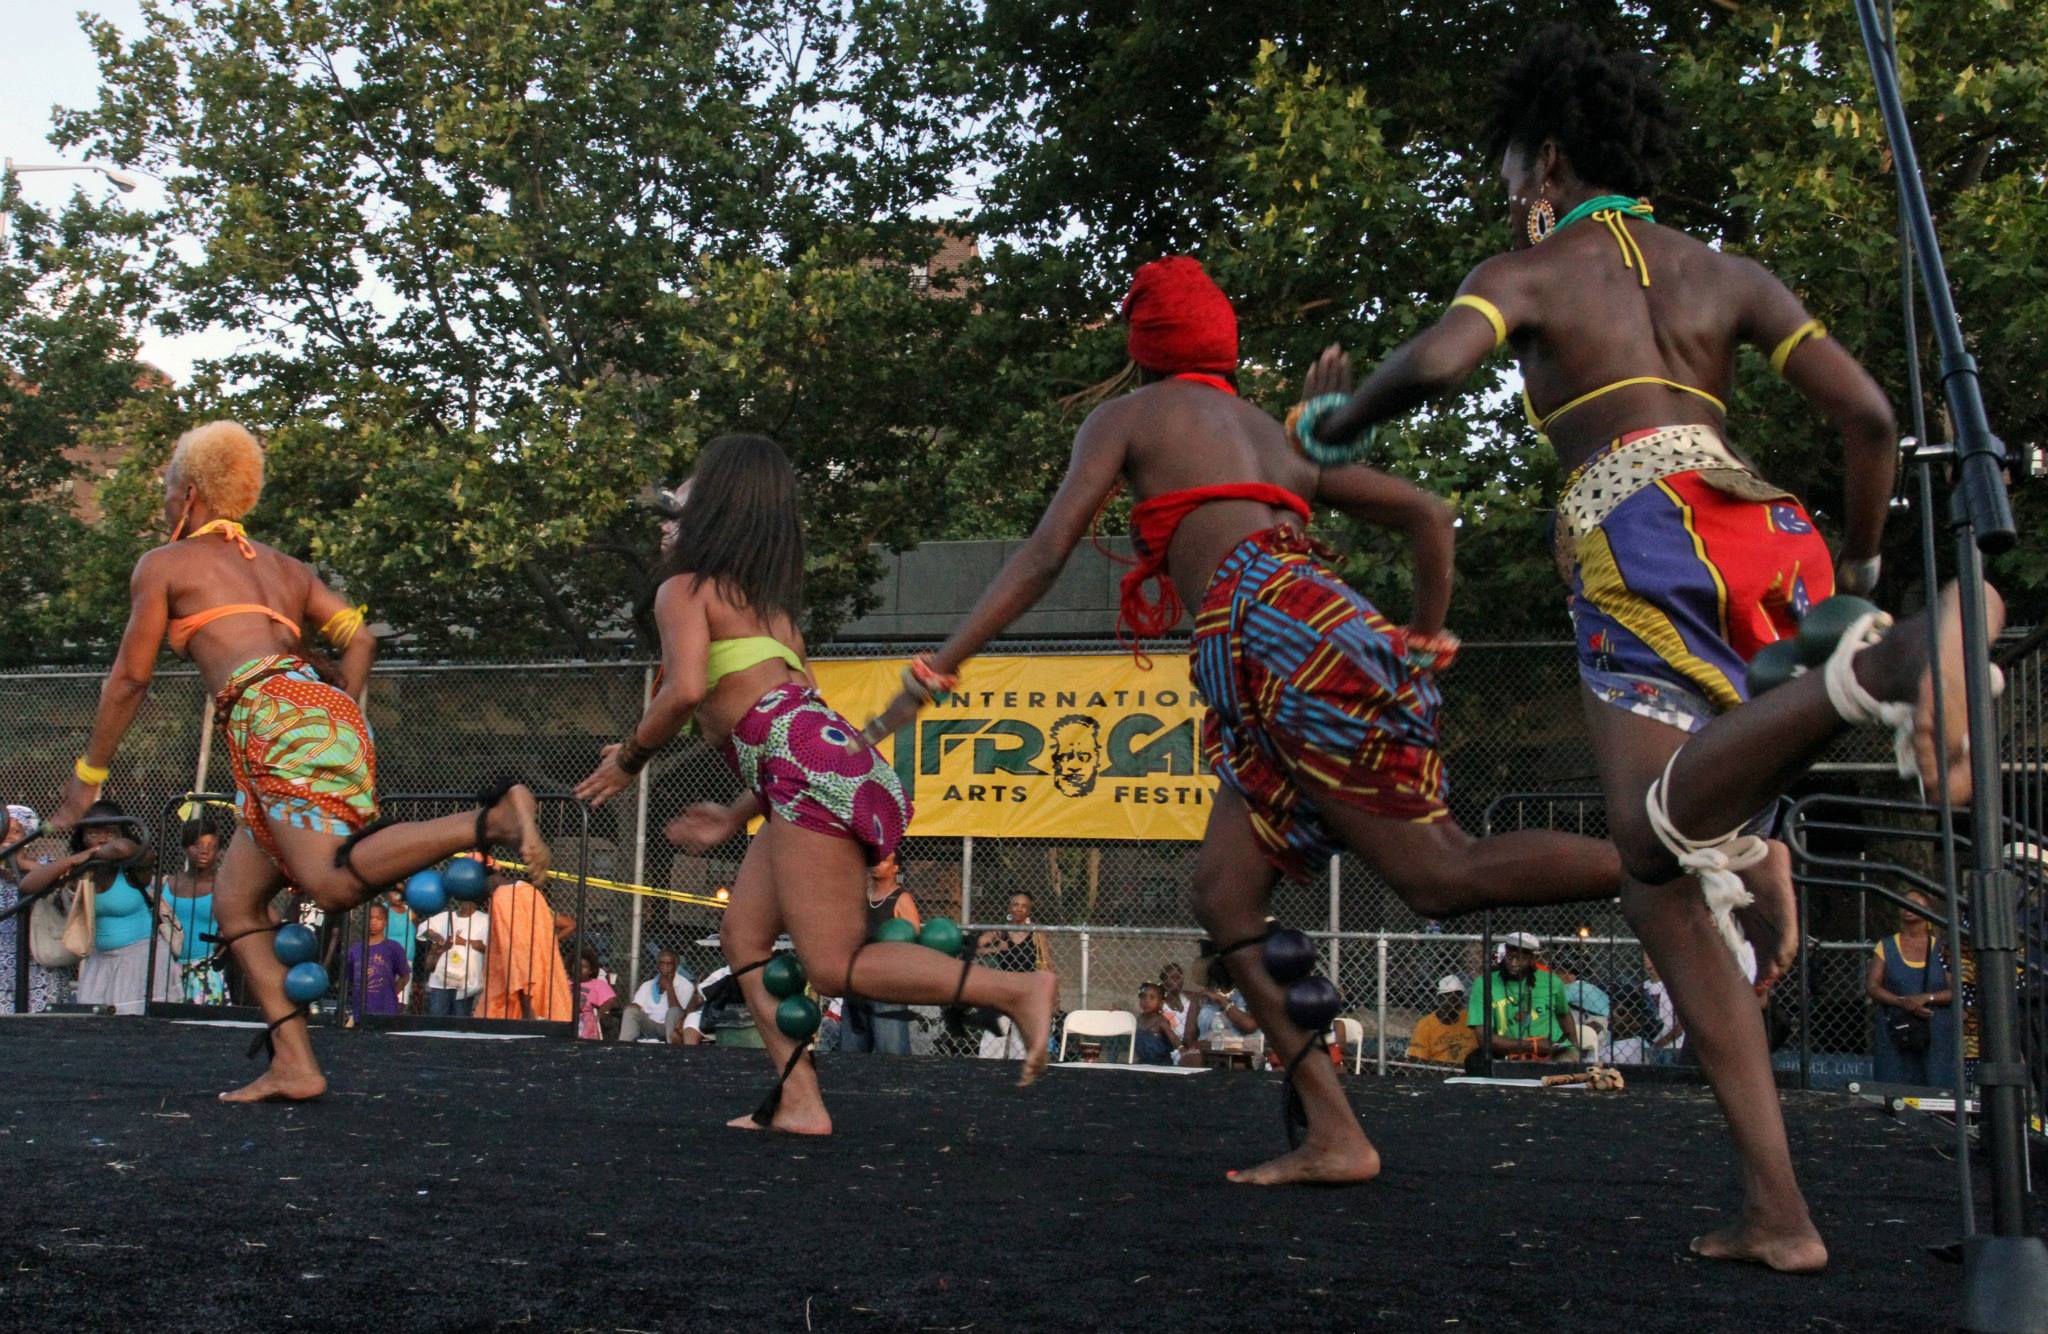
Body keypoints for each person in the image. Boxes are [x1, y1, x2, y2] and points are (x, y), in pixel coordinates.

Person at [1293, 30, 1999, 1265]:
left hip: (1638, 532)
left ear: (1547, 160)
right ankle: (1777, 1209)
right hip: (1772, 539)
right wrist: (1856, 573)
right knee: (1663, 883)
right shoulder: (1724, 272)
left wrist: (1333, 421)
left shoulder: (1532, 271)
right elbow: (1867, 414)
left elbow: (1443, 360)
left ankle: (1878, 673)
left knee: (1644, 838)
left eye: (1509, 171)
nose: (1506, 193)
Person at [849, 257, 1623, 1184]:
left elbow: (1047, 552)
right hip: (1290, 640)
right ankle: (1336, 1135)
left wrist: (936, 667)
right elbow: (1428, 516)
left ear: (1144, 348)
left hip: (1271, 639)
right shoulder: (1273, 434)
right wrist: (1420, 637)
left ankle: (1677, 857)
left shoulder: (1129, 416)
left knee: (1439, 875)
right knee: (1223, 897)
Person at [41, 421, 551, 1102]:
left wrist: (87, 781)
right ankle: (294, 1063)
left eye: (166, 487)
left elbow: (129, 680)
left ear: (190, 493)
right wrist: (333, 711)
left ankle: (490, 822)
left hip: (272, 722)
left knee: (332, 885)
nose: (163, 502)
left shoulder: (164, 564)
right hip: (321, 714)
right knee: (236, 902)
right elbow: (359, 637)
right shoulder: (286, 568)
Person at [577, 433, 1057, 1135]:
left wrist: (629, 759)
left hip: (806, 775)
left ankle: (1014, 988)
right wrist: (735, 814)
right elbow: (791, 730)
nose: (665, 518)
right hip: (822, 770)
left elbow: (684, 691)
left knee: (832, 966)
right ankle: (799, 1101)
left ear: (712, 516)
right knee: (744, 937)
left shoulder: (683, 590)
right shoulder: (775, 618)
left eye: (679, 504)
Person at [19, 800, 168, 1015]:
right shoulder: (80, 869)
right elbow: (27, 885)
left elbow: (121, 848)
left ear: (123, 832)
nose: (102, 838)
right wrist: (75, 860)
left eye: (110, 832)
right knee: (93, 1023)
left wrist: (92, 853)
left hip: (139, 959)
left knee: (134, 1024)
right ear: (82, 836)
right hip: (99, 959)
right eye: (93, 833)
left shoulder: (135, 864)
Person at [1865, 890, 1957, 1086]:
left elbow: (1955, 990)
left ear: (1929, 911)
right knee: (1893, 1086)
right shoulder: (1886, 946)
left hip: (1936, 1032)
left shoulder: (1943, 948)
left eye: (1916, 903)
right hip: (1896, 1029)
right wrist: (1901, 1002)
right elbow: (1873, 986)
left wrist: (1926, 998)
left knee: (1937, 1086)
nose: (1908, 908)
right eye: (1904, 903)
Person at [839, 857, 922, 1056]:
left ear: (896, 868)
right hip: (856, 983)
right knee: (851, 1054)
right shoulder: (860, 898)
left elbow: (914, 940)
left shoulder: (901, 899)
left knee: (891, 1053)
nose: (877, 863)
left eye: (884, 860)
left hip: (886, 987)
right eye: (876, 859)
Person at [480, 862, 575, 1023]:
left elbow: (514, 951)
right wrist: (546, 943)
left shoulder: (502, 897)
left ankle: (528, 1013)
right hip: (537, 960)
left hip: (522, 965)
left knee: (518, 970)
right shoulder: (529, 891)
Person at [1469, 933, 1575, 1061]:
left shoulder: (1551, 981)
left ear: (1532, 959)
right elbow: (1484, 1038)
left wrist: (1574, 1046)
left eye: (1520, 958)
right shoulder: (1484, 984)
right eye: (1510, 957)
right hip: (1509, 1054)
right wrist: (1532, 1045)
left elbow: (1564, 1014)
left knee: (1569, 1061)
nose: (1514, 963)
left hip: (1554, 1051)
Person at [975, 891, 1054, 1061]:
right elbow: (975, 948)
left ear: (1029, 911)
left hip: (1026, 990)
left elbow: (1047, 963)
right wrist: (996, 948)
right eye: (1016, 905)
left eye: (1024, 906)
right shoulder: (1000, 931)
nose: (1019, 909)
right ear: (1009, 907)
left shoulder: (1036, 933)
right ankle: (987, 1069)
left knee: (1021, 1042)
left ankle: (1017, 1070)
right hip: (1003, 988)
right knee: (995, 1035)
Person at [1, 803, 64, 1014]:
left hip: (37, 960)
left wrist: (20, 863)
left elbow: (58, 883)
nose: (8, 837)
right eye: (3, 830)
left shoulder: (46, 864)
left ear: (28, 835)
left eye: (16, 831)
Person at [162, 816, 229, 1006]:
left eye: (211, 846)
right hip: (167, 968)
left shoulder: (223, 885)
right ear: (185, 847)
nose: (204, 851)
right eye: (197, 845)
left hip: (205, 970)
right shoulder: (166, 883)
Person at [419, 895, 490, 1017]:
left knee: (460, 1018)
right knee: (436, 1017)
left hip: (467, 981)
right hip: (442, 979)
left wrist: (465, 942)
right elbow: (422, 929)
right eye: (463, 899)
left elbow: (489, 948)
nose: (465, 904)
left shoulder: (485, 920)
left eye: (469, 900)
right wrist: (435, 936)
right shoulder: (446, 917)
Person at [341, 902, 409, 1020]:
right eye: (371, 918)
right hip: (359, 1009)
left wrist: (392, 993)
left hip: (385, 1009)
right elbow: (350, 976)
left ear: (385, 922)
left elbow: (405, 975)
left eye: (379, 919)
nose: (374, 922)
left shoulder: (393, 947)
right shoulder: (355, 949)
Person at [619, 948, 699, 1043]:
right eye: (662, 963)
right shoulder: (647, 985)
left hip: (671, 1027)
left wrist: (669, 987)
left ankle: (670, 1048)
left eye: (669, 964)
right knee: (630, 1011)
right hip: (650, 1025)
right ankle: (624, 1046)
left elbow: (680, 1014)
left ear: (676, 965)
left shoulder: (685, 986)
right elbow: (636, 1005)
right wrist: (632, 1008)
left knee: (674, 1011)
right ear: (658, 965)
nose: (665, 967)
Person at [1406, 975, 1479, 1067]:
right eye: (1447, 998)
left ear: (1461, 1001)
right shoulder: (1425, 1025)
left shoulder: (1470, 1018)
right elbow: (1416, 1060)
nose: (1451, 1004)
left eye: (1455, 1000)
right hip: (1437, 1070)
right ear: (1439, 1000)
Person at [1133, 982, 1183, 1066]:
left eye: (1152, 998)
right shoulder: (1139, 1019)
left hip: (1161, 1062)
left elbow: (1172, 1036)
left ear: (1161, 1004)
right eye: (1143, 997)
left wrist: (1182, 1049)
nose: (1147, 1001)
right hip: (1143, 1061)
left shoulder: (1161, 1020)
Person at [576, 949, 620, 1041]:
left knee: (588, 1020)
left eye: (584, 967)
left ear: (591, 970)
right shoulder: (566, 983)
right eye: (577, 965)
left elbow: (612, 1001)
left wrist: (599, 1013)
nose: (579, 969)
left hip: (587, 1017)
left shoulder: (598, 984)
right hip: (566, 1016)